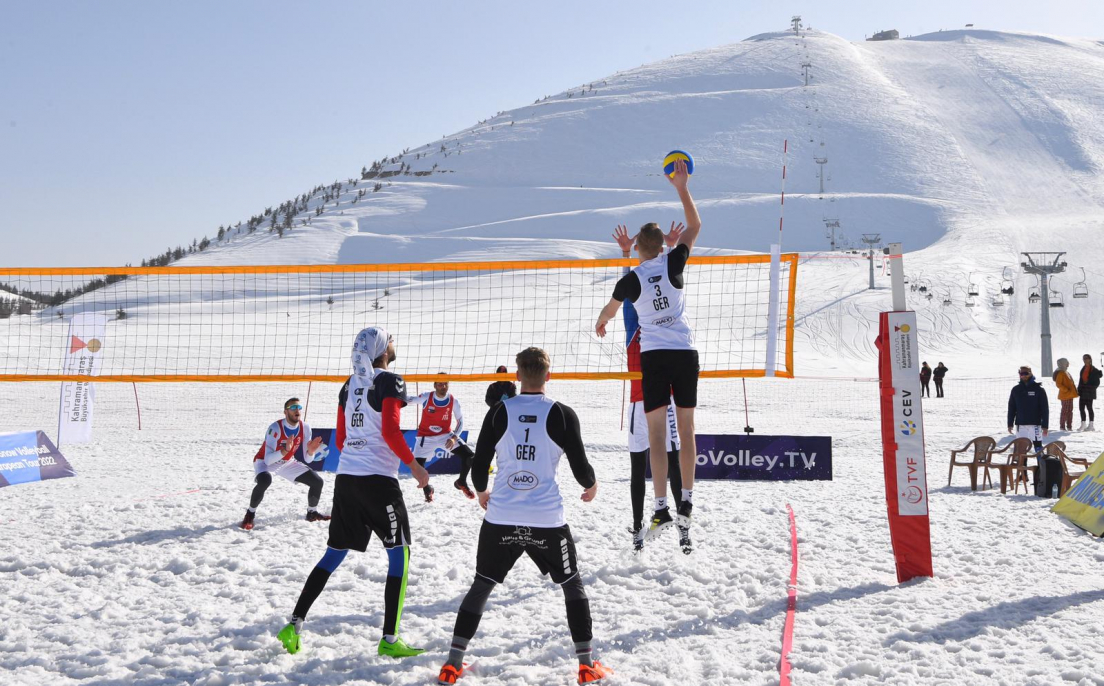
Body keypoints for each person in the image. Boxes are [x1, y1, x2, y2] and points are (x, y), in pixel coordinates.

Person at [436, 347, 610, 685]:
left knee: (482, 585)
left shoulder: (500, 411)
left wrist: (484, 493)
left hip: (502, 515)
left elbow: (479, 464)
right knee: (572, 584)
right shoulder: (561, 414)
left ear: (517, 376)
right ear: (549, 375)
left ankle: (452, 663)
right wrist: (592, 486)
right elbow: (581, 469)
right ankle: (586, 666)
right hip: (546, 519)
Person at [276, 327, 431, 658]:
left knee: (334, 553)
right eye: (391, 339)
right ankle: (390, 640)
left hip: (347, 478)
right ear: (382, 349)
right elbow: (390, 430)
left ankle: (294, 624)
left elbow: (342, 440)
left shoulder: (349, 385)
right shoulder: (389, 381)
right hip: (378, 481)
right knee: (400, 555)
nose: (395, 343)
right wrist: (414, 467)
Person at [595, 157, 701, 550]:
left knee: (657, 436)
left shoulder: (632, 279)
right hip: (684, 352)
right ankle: (685, 499)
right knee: (686, 430)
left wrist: (601, 322)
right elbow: (695, 226)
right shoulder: (674, 261)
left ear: (638, 247)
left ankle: (660, 506)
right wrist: (681, 188)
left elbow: (609, 310)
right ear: (664, 246)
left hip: (654, 357)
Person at [613, 223, 684, 553]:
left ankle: (683, 528)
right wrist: (628, 253)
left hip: (663, 401)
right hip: (640, 404)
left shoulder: (664, 318)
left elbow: (668, 282)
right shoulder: (632, 323)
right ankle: (637, 529)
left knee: (672, 463)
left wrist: (667, 250)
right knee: (637, 468)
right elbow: (631, 286)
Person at [241, 397, 327, 530]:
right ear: (285, 412)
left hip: (286, 461)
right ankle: (250, 514)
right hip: (264, 461)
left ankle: (312, 513)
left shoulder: (305, 427)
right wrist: (285, 450)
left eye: (299, 408)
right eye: (293, 408)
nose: (297, 410)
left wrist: (311, 451)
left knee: (317, 482)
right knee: (265, 480)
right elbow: (268, 459)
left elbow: (308, 459)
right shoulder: (275, 428)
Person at [452, 366, 519, 499]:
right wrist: (497, 404)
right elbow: (488, 399)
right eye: (499, 374)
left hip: (509, 417)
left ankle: (503, 469)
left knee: (506, 445)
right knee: (489, 446)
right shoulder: (492, 387)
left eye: (503, 374)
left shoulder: (511, 386)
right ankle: (484, 472)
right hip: (494, 416)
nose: (501, 375)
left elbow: (514, 399)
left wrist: (504, 404)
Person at [411, 376, 464, 502]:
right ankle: (428, 489)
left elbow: (461, 421)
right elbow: (409, 400)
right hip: (426, 436)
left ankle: (462, 482)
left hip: (445, 435)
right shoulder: (426, 397)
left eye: (445, 384)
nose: (443, 387)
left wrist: (454, 437)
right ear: (434, 385)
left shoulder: (453, 401)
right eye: (440, 384)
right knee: (416, 469)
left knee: (470, 456)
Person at [1007, 365, 1049, 456]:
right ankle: (1023, 470)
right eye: (1021, 373)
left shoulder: (1039, 389)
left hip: (1035, 424)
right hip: (1021, 425)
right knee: (1021, 450)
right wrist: (1010, 424)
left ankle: (1041, 469)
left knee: (1038, 449)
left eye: (1026, 373)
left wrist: (1045, 426)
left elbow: (1045, 409)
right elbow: (1011, 408)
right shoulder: (1016, 390)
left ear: (1031, 373)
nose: (1024, 375)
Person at [1077, 353, 1101, 431]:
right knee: (1081, 408)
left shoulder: (1094, 370)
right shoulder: (1083, 368)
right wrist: (1079, 389)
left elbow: (1097, 383)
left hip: (1089, 392)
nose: (1085, 360)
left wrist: (1090, 388)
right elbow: (1081, 380)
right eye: (1083, 358)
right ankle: (1083, 424)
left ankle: (1091, 425)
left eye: (1086, 358)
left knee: (1089, 408)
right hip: (1083, 391)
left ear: (1090, 359)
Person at [1053, 358, 1077, 431]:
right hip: (1065, 395)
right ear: (1063, 363)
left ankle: (1069, 426)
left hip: (1070, 395)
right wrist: (1066, 390)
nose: (1068, 364)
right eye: (1066, 362)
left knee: (1070, 411)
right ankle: (1062, 426)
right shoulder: (1061, 373)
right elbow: (1058, 384)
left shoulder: (1066, 372)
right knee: (1064, 411)